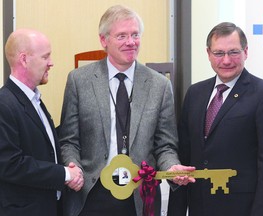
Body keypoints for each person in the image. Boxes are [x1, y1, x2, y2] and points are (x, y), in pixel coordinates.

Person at [58, 5, 195, 216]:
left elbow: (165, 145)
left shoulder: (159, 85)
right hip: (92, 191)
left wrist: (172, 167)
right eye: (122, 36)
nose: (131, 42)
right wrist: (73, 168)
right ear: (104, 40)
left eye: (135, 35)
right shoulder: (79, 81)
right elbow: (69, 139)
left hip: (139, 194)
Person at [168, 22, 263, 216]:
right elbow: (185, 156)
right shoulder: (195, 93)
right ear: (208, 53)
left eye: (233, 52)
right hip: (199, 208)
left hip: (242, 209)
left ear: (245, 51)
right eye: (218, 53)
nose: (226, 60)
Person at [0, 29, 84, 216]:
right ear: (24, 59)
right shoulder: (4, 104)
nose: (51, 62)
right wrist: (64, 174)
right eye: (45, 57)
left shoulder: (34, 100)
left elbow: (43, 146)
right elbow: (10, 164)